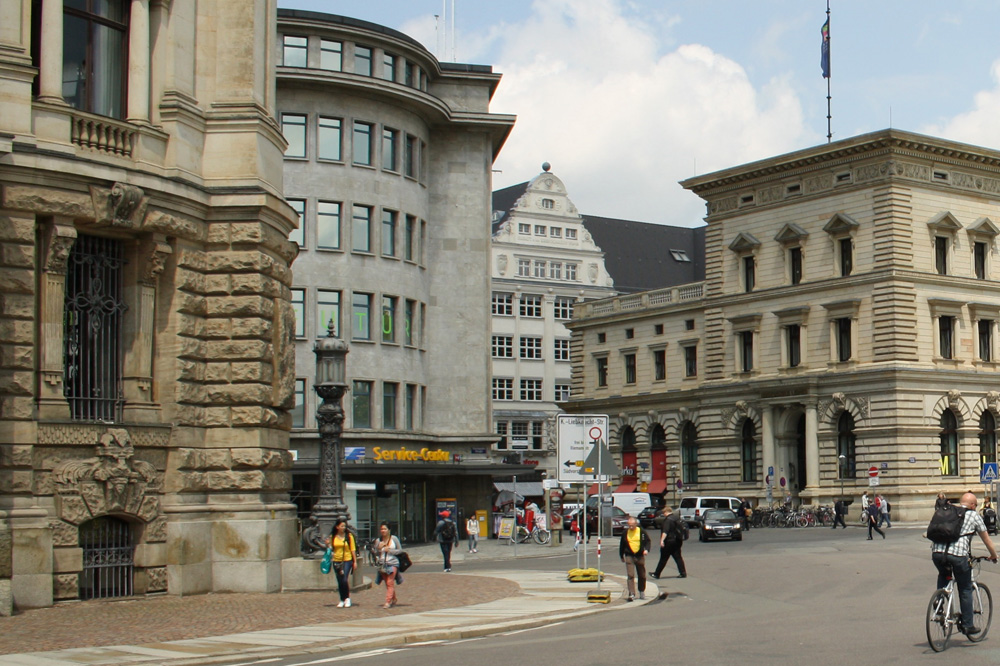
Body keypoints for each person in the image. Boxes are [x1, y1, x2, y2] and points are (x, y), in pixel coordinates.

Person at [931, 492, 999, 636]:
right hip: (958, 556)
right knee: (965, 588)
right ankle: (968, 625)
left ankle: (939, 600)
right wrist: (993, 555)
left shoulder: (949, 511)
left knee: (944, 573)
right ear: (973, 505)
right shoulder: (973, 515)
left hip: (937, 553)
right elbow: (986, 539)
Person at [327, 519, 357, 608]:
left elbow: (353, 549)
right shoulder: (333, 536)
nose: (343, 527)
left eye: (344, 526)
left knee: (344, 579)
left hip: (347, 559)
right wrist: (328, 544)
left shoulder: (349, 536)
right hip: (337, 560)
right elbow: (331, 548)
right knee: (340, 581)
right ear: (337, 527)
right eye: (341, 526)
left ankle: (347, 598)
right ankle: (342, 599)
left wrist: (355, 561)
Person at [618, 515, 650, 601]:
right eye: (629, 525)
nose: (631, 527)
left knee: (642, 575)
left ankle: (642, 590)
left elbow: (647, 541)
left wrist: (646, 550)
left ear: (636, 524)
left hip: (639, 555)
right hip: (629, 555)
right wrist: (621, 555)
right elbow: (622, 545)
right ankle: (631, 593)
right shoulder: (625, 533)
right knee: (630, 575)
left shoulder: (641, 532)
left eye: (632, 525)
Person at [650, 506, 687, 579]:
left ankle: (657, 574)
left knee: (663, 558)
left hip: (669, 541)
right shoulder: (677, 518)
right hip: (677, 541)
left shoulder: (668, 520)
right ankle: (683, 573)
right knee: (678, 557)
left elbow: (665, 531)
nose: (663, 514)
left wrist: (662, 540)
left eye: (664, 513)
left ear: (666, 512)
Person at [375, 522, 402, 609]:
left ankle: (387, 601)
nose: (383, 531)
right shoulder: (378, 540)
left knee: (390, 582)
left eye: (385, 529)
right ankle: (393, 598)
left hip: (393, 563)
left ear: (389, 530)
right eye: (382, 529)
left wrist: (390, 550)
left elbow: (400, 550)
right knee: (387, 583)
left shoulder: (394, 539)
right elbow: (375, 552)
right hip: (383, 564)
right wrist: (379, 548)